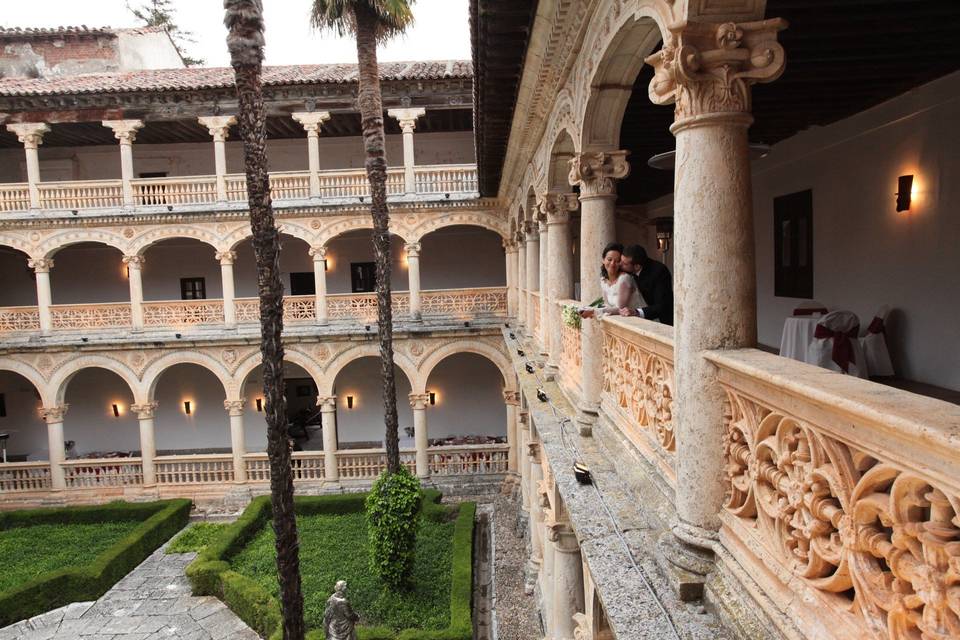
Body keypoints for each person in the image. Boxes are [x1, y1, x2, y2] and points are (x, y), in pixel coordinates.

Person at [579, 243, 644, 318]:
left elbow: (620, 309)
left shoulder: (625, 278)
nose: (612, 264)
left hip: (639, 320)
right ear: (603, 260)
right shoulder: (603, 280)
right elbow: (607, 304)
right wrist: (588, 308)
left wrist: (594, 311)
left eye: (617, 261)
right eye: (609, 259)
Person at [619, 244, 673, 325]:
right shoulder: (626, 269)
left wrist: (637, 312)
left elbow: (662, 305)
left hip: (661, 321)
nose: (620, 264)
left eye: (624, 263)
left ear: (637, 266)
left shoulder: (659, 272)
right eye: (621, 260)